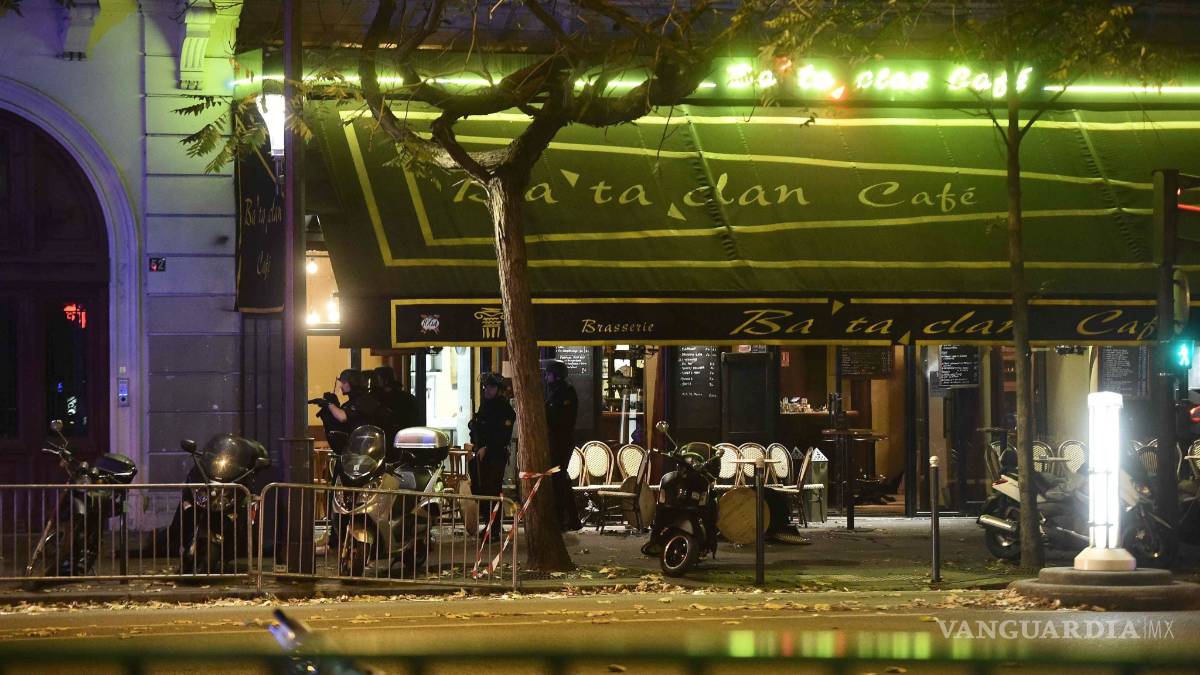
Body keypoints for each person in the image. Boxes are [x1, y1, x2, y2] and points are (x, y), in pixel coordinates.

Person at [468, 373, 516, 536]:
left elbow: (501, 434)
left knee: (492, 490)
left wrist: (487, 447)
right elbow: (479, 427)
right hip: (482, 453)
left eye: (491, 387)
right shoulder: (486, 405)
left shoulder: (503, 408)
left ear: (498, 389)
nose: (487, 390)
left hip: (495, 454)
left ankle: (494, 528)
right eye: (486, 387)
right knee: (481, 489)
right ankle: (489, 524)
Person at [542, 358, 582, 531]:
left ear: (556, 376)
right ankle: (571, 519)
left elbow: (562, 419)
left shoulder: (566, 393)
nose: (546, 378)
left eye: (548, 374)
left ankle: (563, 518)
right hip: (555, 440)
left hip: (562, 441)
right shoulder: (553, 392)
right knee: (560, 479)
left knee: (558, 478)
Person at [308, 369, 386, 452]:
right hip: (351, 449)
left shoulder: (365, 400)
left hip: (366, 450)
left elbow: (343, 417)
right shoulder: (349, 403)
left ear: (353, 383)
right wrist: (330, 408)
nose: (341, 386)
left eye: (344, 382)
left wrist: (329, 404)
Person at [372, 366, 421, 432]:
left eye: (375, 379)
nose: (373, 382)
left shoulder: (381, 398)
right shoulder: (408, 397)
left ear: (384, 380)